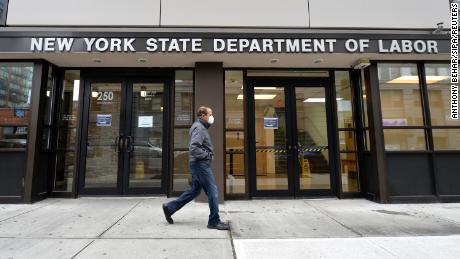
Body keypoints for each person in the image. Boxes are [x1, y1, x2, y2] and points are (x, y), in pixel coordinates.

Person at [162, 106, 230, 230]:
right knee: (213, 191)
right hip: (200, 164)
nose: (211, 117)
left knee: (195, 191)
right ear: (203, 115)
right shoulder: (199, 128)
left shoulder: (201, 127)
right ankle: (214, 221)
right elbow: (194, 147)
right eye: (210, 114)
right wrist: (207, 155)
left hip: (198, 164)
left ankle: (169, 207)